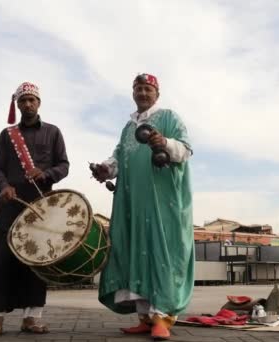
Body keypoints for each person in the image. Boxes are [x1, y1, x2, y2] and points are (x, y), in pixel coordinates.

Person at [91, 73, 194, 340]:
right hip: (131, 201)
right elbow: (118, 156)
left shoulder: (169, 118)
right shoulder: (128, 127)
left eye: (148, 89)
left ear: (156, 93)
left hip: (162, 202)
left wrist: (165, 143)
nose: (143, 93)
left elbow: (185, 150)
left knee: (162, 252)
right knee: (134, 250)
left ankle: (163, 317)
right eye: (138, 88)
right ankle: (145, 318)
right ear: (133, 93)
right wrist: (105, 169)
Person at [0, 82, 70, 337]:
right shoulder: (7, 134)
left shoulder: (53, 132)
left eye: (32, 100)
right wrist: (3, 186)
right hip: (10, 205)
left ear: (39, 103)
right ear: (17, 104)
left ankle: (32, 318)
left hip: (41, 206)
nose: (28, 104)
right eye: (23, 101)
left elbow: (64, 165)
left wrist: (46, 173)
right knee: (3, 260)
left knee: (37, 261)